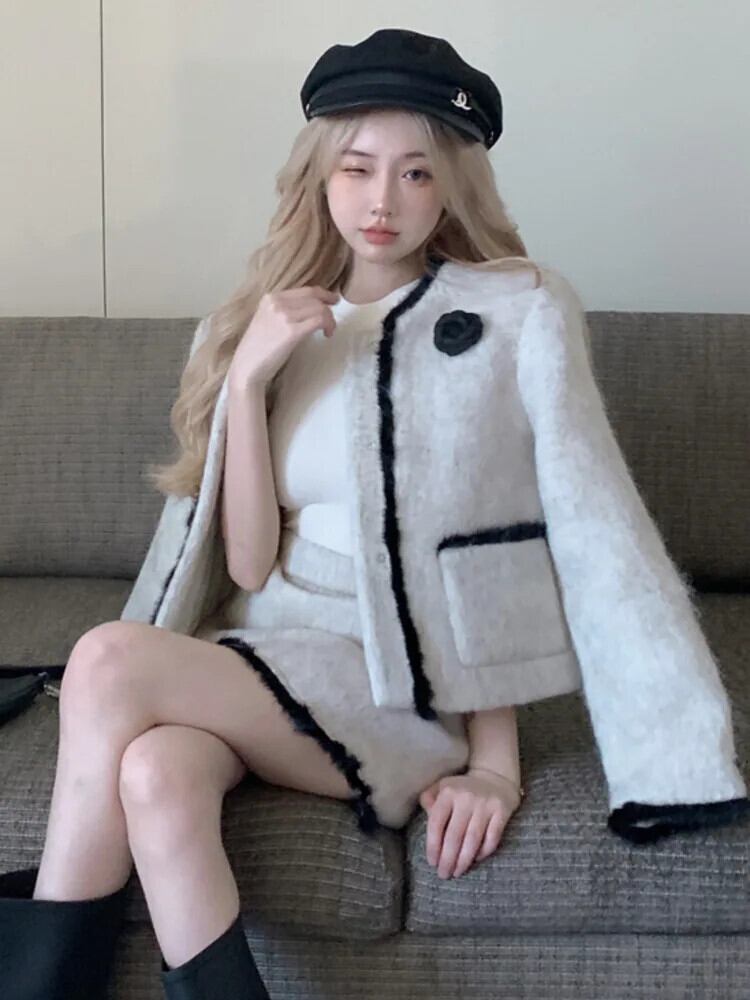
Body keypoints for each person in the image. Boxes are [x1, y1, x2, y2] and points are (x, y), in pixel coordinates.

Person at [2, 24, 747, 1000]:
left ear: (452, 188)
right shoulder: (259, 327)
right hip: (270, 651)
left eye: (415, 173)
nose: (381, 201)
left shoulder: (510, 316)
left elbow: (515, 543)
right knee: (154, 774)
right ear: (320, 176)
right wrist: (245, 383)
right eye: (356, 168)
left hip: (400, 686)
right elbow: (249, 566)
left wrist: (495, 764)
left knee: (105, 658)